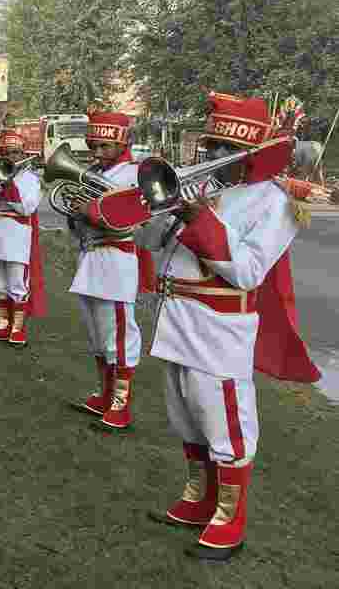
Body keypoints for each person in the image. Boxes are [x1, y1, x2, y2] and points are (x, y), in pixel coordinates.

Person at [124, 91, 320, 560]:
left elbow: (250, 270)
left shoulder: (275, 202)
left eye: (220, 149)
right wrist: (162, 209)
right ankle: (198, 499)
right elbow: (151, 243)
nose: (209, 156)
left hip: (220, 327)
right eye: (208, 145)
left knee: (225, 422)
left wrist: (200, 220)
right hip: (176, 319)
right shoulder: (203, 188)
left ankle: (230, 518)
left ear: (248, 153)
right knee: (184, 417)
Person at [65, 111, 157, 431]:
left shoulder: (134, 174)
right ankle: (104, 394)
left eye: (105, 146)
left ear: (123, 143)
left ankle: (121, 403)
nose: (97, 152)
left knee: (118, 334)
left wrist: (89, 211)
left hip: (117, 260)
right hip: (90, 257)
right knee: (96, 334)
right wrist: (75, 215)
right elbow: (79, 228)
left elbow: (129, 222)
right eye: (93, 145)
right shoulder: (91, 172)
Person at [0, 129, 46, 347]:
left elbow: (27, 208)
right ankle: (3, 324)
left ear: (23, 154)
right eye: (6, 153)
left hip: (16, 235)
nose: (11, 157)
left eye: (15, 153)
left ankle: (17, 328)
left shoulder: (31, 179)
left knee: (17, 284)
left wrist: (10, 186)